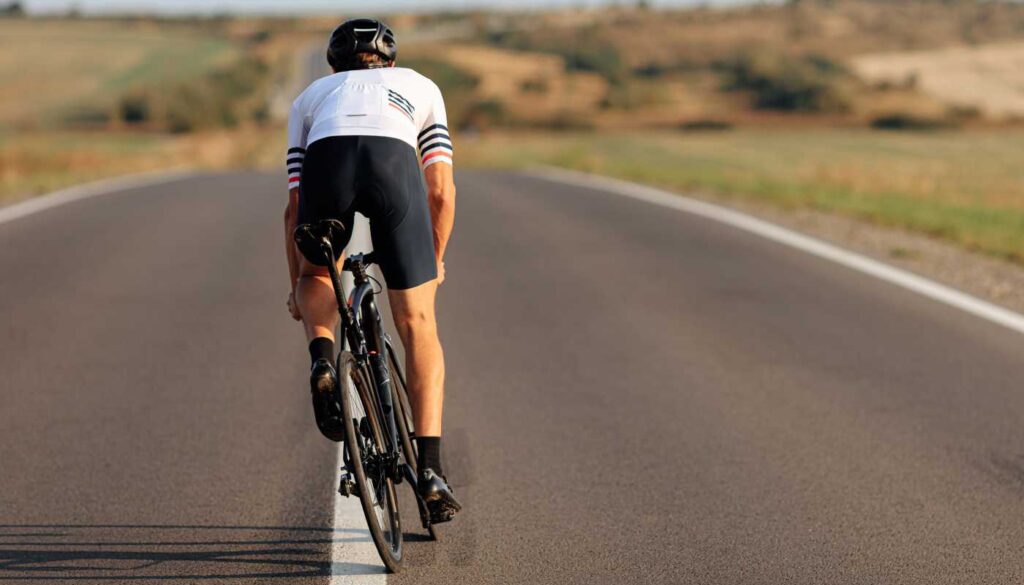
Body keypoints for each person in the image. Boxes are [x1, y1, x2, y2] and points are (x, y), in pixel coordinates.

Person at [283, 18, 459, 523]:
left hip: (329, 162)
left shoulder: (311, 97)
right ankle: (431, 471)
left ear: (332, 66)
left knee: (319, 277)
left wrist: (299, 286)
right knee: (418, 324)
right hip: (393, 167)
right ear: (391, 61)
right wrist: (434, 259)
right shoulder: (420, 86)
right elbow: (440, 191)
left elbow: (294, 209)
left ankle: (322, 361)